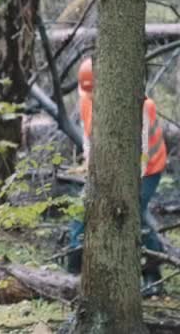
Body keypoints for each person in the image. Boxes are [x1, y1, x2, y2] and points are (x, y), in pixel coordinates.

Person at [67, 57, 168, 296]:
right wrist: (91, 166)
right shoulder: (86, 100)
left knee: (136, 214)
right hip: (110, 165)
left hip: (149, 167)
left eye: (94, 92)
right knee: (80, 209)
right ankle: (72, 271)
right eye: (88, 92)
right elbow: (87, 136)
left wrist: (134, 182)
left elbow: (142, 148)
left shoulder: (140, 105)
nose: (90, 97)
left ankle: (153, 275)